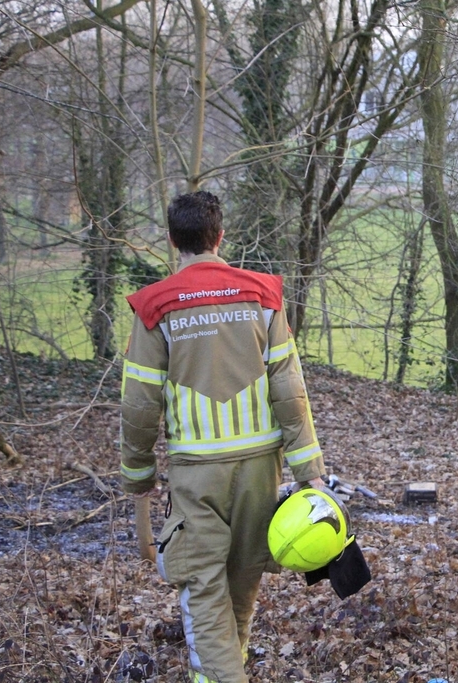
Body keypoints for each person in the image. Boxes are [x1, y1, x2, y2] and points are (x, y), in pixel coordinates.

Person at [120, 191, 327, 683]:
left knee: (203, 591)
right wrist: (309, 476)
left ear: (173, 240)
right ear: (221, 235)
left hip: (197, 476)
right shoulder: (263, 296)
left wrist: (138, 476)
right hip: (260, 470)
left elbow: (139, 404)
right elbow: (290, 392)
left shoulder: (155, 307)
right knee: (240, 589)